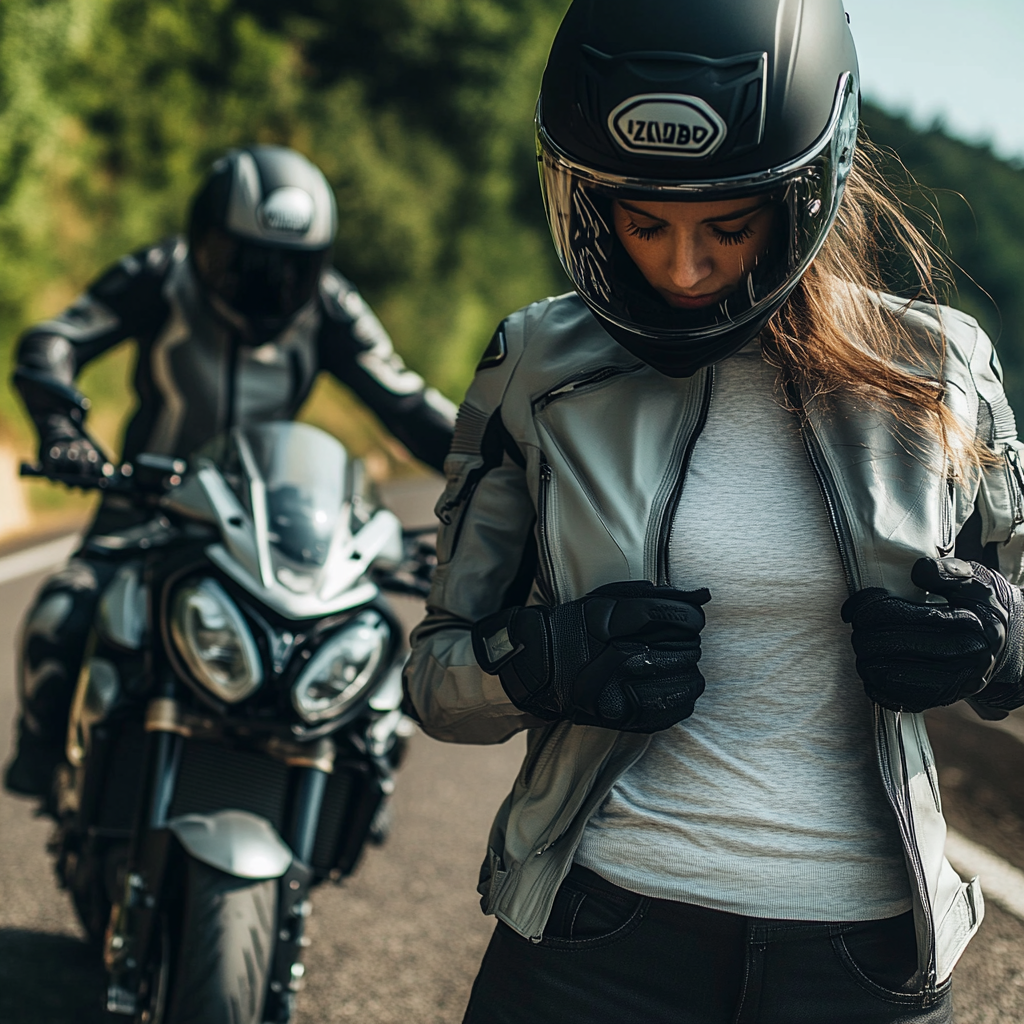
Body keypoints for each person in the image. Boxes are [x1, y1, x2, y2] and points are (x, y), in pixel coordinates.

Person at [404, 1, 1024, 1021]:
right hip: (594, 940)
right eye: (644, 224)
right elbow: (435, 676)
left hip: (864, 961)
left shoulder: (939, 369)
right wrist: (538, 658)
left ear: (802, 196)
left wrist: (1002, 645)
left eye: (725, 228)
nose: (682, 269)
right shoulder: (535, 364)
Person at [6, 144, 456, 797]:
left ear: (318, 265)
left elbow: (408, 405)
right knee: (62, 617)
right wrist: (58, 427)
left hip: (269, 528)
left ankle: (353, 794)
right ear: (201, 240)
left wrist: (494, 468)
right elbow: (57, 339)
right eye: (242, 259)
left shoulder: (330, 308)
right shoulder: (161, 274)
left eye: (289, 270)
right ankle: (49, 758)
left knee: (372, 656)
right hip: (145, 513)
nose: (265, 284)